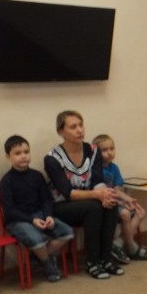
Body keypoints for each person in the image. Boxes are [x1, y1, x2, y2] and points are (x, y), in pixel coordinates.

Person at [44, 110, 124, 280]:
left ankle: (106, 259)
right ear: (61, 132)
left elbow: (98, 180)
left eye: (81, 125)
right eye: (73, 127)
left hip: (90, 200)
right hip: (61, 206)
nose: (79, 130)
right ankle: (92, 262)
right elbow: (68, 193)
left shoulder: (93, 150)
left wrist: (105, 195)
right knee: (93, 207)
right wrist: (97, 194)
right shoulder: (52, 158)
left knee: (111, 204)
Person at [0, 135, 74, 283]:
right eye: (18, 153)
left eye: (26, 152)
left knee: (67, 232)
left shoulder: (37, 176)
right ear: (8, 157)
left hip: (39, 215)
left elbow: (46, 199)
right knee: (38, 241)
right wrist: (32, 220)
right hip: (17, 220)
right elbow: (9, 210)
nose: (23, 156)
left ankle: (37, 257)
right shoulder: (6, 182)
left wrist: (48, 216)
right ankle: (48, 265)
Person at [92, 134, 147, 263]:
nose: (109, 153)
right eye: (104, 150)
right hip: (104, 203)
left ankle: (117, 243)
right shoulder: (95, 169)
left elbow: (117, 190)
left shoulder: (114, 168)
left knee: (140, 212)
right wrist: (121, 203)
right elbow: (100, 193)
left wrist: (129, 199)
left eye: (112, 148)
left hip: (117, 201)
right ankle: (132, 247)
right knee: (125, 214)